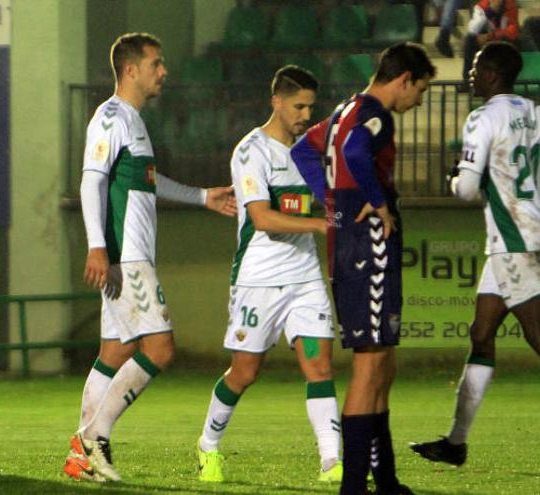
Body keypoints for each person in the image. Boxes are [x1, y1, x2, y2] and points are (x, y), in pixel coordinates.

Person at [63, 32, 236, 483]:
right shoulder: (111, 117)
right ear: (131, 69)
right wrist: (98, 246)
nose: (164, 71)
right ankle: (92, 439)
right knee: (159, 349)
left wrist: (202, 197)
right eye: (156, 63)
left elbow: (147, 182)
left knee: (115, 351)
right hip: (127, 256)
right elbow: (90, 182)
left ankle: (80, 455)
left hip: (125, 254)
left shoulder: (134, 121)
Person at [290, 42, 436, 495]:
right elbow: (355, 153)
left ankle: (385, 478)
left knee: (382, 363)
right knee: (371, 366)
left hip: (349, 244)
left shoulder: (342, 110)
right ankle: (354, 486)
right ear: (404, 78)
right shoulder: (374, 113)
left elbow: (302, 151)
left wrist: (329, 198)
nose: (418, 101)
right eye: (421, 91)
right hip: (366, 246)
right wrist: (373, 199)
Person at [195, 65, 341, 484]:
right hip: (257, 280)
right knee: (244, 373)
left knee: (319, 367)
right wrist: (320, 226)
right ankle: (208, 445)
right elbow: (260, 217)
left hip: (305, 278)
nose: (305, 115)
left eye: (311, 107)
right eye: (298, 106)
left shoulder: (307, 152)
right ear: (276, 101)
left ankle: (332, 463)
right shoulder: (250, 151)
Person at [411, 41, 540, 466]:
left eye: (477, 66)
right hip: (525, 233)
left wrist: (456, 177)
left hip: (513, 241)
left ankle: (455, 442)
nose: (470, 72)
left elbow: (466, 188)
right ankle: (456, 442)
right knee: (481, 334)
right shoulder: (533, 111)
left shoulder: (484, 117)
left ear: (492, 74)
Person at [461, 0, 518, 84]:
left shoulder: (510, 6)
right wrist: (488, 12)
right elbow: (472, 29)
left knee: (514, 40)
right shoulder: (482, 6)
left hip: (503, 39)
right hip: (486, 39)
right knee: (470, 39)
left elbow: (513, 31)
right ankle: (467, 81)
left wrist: (492, 35)